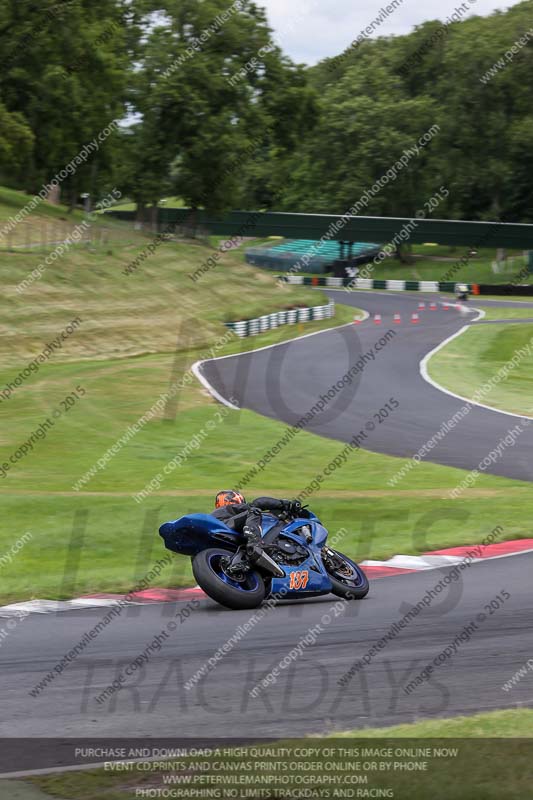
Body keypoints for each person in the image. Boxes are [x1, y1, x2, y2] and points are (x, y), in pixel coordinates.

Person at [211, 491, 302, 554]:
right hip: (225, 527)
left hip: (220, 542)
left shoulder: (218, 514)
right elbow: (259, 503)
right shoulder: (227, 510)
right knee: (254, 511)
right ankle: (255, 544)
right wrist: (285, 504)